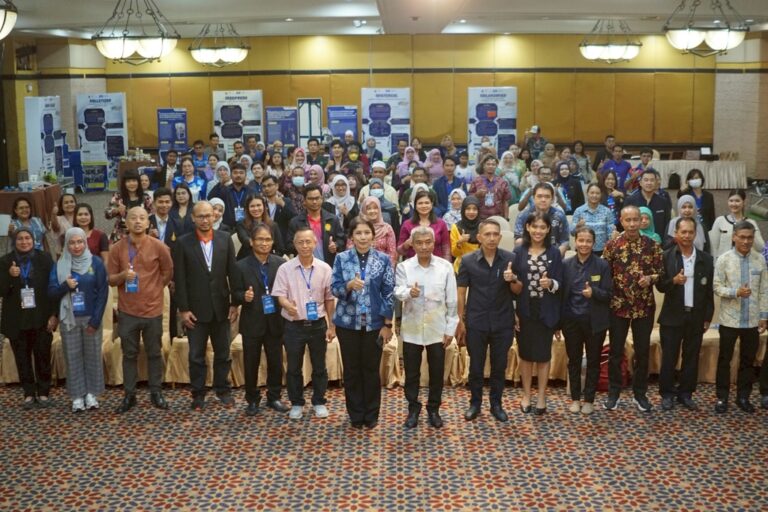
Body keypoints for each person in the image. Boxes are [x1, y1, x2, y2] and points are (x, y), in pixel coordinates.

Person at [174, 201, 239, 410]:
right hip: (195, 310)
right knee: (196, 355)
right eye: (200, 216)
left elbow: (232, 272)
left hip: (221, 307)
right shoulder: (183, 243)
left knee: (223, 353)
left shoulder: (225, 239)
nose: (205, 220)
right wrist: (184, 309)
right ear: (193, 218)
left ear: (215, 216)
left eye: (208, 215)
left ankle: (223, 390)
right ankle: (198, 394)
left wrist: (234, 303)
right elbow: (180, 279)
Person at [107, 207, 174, 413]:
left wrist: (155, 289)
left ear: (148, 223)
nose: (137, 221)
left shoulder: (159, 246)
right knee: (129, 354)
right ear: (126, 223)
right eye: (133, 218)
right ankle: (130, 395)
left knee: (154, 353)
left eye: (142, 218)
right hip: (128, 311)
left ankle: (156, 392)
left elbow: (168, 271)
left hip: (153, 309)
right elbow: (111, 279)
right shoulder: (117, 248)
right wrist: (122, 276)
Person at [456, 219, 522, 422]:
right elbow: (461, 293)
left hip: (503, 321)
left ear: (500, 237)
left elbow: (518, 290)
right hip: (476, 320)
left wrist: (513, 279)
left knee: (499, 366)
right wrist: (460, 320)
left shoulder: (511, 259)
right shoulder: (468, 261)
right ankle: (475, 404)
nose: (492, 238)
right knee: (476, 366)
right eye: (487, 234)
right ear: (479, 237)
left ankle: (496, 404)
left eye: (495, 234)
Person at [331, 217, 395, 429]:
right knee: (351, 371)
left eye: (367, 233)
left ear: (373, 236)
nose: (363, 237)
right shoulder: (341, 258)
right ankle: (356, 415)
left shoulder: (383, 259)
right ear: (351, 236)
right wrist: (348, 285)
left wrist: (387, 325)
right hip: (347, 323)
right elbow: (334, 288)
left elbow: (389, 293)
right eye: (358, 233)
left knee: (370, 370)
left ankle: (371, 414)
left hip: (374, 325)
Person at [395, 226, 457, 429]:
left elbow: (452, 301)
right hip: (412, 329)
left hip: (437, 329)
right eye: (419, 243)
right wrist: (408, 293)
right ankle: (413, 408)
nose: (423, 247)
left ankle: (434, 409)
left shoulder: (445, 267)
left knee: (436, 372)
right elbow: (397, 291)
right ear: (412, 244)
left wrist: (450, 329)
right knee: (411, 373)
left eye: (427, 242)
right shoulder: (404, 267)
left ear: (434, 243)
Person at [602, 205, 663, 412]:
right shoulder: (612, 245)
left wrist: (650, 278)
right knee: (615, 351)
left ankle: (640, 394)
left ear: (641, 220)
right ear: (621, 221)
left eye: (635, 219)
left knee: (642, 352)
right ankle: (613, 393)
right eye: (627, 220)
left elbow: (661, 272)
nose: (632, 224)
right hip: (617, 305)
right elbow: (605, 274)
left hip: (643, 306)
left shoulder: (652, 245)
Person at [272, 227, 336, 420]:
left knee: (319, 367)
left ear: (315, 243)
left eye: (308, 241)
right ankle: (297, 403)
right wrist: (286, 305)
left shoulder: (325, 268)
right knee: (293, 368)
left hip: (318, 324)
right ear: (294, 244)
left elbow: (329, 299)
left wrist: (331, 325)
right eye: (300, 242)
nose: (305, 245)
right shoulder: (285, 268)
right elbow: (280, 296)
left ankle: (319, 401)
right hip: (293, 325)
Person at [656, 217, 714, 411]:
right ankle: (667, 394)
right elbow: (660, 286)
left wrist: (707, 317)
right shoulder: (666, 256)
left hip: (696, 316)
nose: (687, 236)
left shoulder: (706, 259)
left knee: (691, 357)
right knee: (669, 357)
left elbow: (709, 293)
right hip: (672, 316)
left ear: (695, 234)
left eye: (691, 232)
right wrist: (673, 281)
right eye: (683, 232)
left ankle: (686, 394)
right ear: (676, 234)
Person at [231, 222, 290, 416]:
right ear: (251, 242)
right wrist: (243, 296)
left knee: (275, 362)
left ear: (272, 241)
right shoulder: (240, 266)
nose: (264, 243)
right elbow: (234, 293)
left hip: (275, 321)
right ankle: (252, 400)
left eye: (268, 239)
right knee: (251, 363)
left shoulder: (281, 264)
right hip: (252, 321)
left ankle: (274, 397)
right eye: (260, 239)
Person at [48, 228, 108, 412]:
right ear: (67, 245)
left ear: (85, 243)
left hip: (91, 317)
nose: (76, 246)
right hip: (69, 319)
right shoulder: (59, 265)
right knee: (72, 356)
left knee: (93, 356)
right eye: (72, 243)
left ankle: (91, 394)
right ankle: (77, 396)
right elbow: (51, 292)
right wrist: (65, 286)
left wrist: (96, 321)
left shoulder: (96, 262)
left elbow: (103, 293)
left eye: (80, 242)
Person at [713, 221, 768, 414]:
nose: (746, 241)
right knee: (724, 360)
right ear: (734, 237)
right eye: (742, 237)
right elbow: (716, 287)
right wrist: (735, 292)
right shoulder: (724, 259)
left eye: (750, 238)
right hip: (729, 319)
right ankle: (722, 398)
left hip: (752, 321)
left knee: (748, 361)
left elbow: (764, 290)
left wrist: (764, 316)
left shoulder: (759, 260)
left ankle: (743, 397)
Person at [511, 211, 563, 415]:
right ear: (527, 227)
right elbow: (512, 285)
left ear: (548, 229)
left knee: (543, 356)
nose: (538, 231)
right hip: (524, 310)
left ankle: (541, 396)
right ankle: (526, 395)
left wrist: (550, 283)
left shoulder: (554, 253)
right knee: (525, 355)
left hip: (545, 311)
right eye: (534, 227)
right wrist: (514, 312)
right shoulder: (518, 252)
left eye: (542, 227)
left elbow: (561, 284)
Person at [1, 228, 57, 409]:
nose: (24, 242)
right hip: (17, 319)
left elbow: (53, 288)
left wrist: (54, 314)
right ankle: (28, 393)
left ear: (33, 240)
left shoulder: (44, 258)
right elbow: (1, 290)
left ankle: (44, 392)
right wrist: (10, 277)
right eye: (20, 239)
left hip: (41, 317)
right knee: (22, 358)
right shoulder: (5, 261)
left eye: (27, 238)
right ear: (14, 241)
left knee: (43, 355)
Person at [560, 226, 612, 415]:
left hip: (594, 322)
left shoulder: (602, 265)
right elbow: (560, 296)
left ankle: (589, 399)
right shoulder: (565, 265)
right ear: (575, 241)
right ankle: (575, 398)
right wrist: (558, 323)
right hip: (571, 320)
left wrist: (593, 293)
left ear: (594, 243)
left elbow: (609, 294)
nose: (584, 244)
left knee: (593, 361)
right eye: (581, 240)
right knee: (573, 360)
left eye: (588, 241)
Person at [288, 184, 345, 267]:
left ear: (322, 199)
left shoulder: (332, 219)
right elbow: (289, 245)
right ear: (304, 200)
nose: (314, 202)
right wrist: (302, 246)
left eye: (317, 198)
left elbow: (342, 240)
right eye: (311, 199)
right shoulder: (295, 222)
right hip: (304, 266)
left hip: (328, 266)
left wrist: (335, 245)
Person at [514, 183, 570, 256]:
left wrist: (556, 257)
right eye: (539, 196)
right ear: (533, 198)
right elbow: (518, 240)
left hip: (554, 255)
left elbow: (565, 241)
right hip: (528, 255)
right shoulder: (523, 215)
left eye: (547, 197)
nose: (543, 200)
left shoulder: (560, 215)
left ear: (552, 199)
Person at [709, 189, 765, 258]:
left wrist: (752, 230)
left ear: (744, 202)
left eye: (737, 201)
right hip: (724, 262)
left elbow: (760, 247)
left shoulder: (751, 222)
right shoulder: (720, 221)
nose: (734, 204)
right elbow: (713, 247)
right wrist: (715, 262)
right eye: (731, 201)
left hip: (745, 261)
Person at [398, 190, 451, 261]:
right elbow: (399, 251)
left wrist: (446, 264)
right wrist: (406, 244)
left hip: (437, 264)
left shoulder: (441, 223)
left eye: (427, 203)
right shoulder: (407, 224)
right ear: (415, 206)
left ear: (431, 204)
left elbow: (446, 248)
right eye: (420, 203)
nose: (424, 206)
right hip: (413, 264)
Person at [105, 169, 153, 244]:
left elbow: (151, 216)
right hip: (121, 235)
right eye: (128, 181)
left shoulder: (146, 198)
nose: (131, 184)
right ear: (124, 183)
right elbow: (107, 215)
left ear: (138, 182)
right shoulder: (118, 196)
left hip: (141, 234)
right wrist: (117, 210)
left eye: (134, 181)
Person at [624, 169, 670, 242]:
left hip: (658, 243)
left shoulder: (663, 202)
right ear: (640, 183)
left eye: (652, 180)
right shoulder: (630, 201)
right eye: (646, 180)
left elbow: (667, 224)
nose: (649, 183)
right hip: (634, 243)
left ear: (656, 183)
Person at [570, 184, 615, 255]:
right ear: (587, 194)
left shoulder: (607, 211)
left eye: (597, 193)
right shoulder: (579, 211)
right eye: (592, 193)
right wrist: (577, 226)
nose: (594, 195)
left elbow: (611, 234)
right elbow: (572, 233)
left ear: (601, 195)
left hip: (602, 251)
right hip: (583, 249)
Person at [235, 195, 284, 259]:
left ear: (264, 207)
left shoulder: (273, 225)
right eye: (252, 206)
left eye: (258, 205)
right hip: (246, 258)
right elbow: (245, 241)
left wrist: (270, 259)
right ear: (247, 208)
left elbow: (280, 249)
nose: (256, 209)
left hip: (268, 259)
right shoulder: (241, 224)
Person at [468, 155, 511, 220]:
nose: (490, 166)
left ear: (496, 166)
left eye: (493, 164)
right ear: (484, 166)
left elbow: (505, 202)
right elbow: (469, 199)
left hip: (498, 217)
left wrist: (506, 218)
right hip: (480, 217)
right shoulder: (476, 181)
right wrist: (477, 195)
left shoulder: (502, 182)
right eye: (488, 164)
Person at [358, 196, 397, 267]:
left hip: (382, 267)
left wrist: (387, 269)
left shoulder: (387, 228)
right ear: (364, 210)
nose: (372, 211)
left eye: (375, 208)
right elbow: (350, 249)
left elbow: (392, 254)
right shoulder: (357, 228)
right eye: (369, 208)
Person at [450, 196, 481, 274]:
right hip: (461, 267)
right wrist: (460, 242)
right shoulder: (456, 227)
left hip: (480, 266)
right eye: (468, 209)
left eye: (474, 209)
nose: (471, 212)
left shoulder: (483, 226)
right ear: (463, 210)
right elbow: (454, 254)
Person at [49, 193, 77, 258]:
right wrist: (53, 214)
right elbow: (55, 229)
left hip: (80, 252)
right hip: (63, 254)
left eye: (72, 202)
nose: (69, 204)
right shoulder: (58, 219)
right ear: (61, 206)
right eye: (66, 203)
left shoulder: (80, 217)